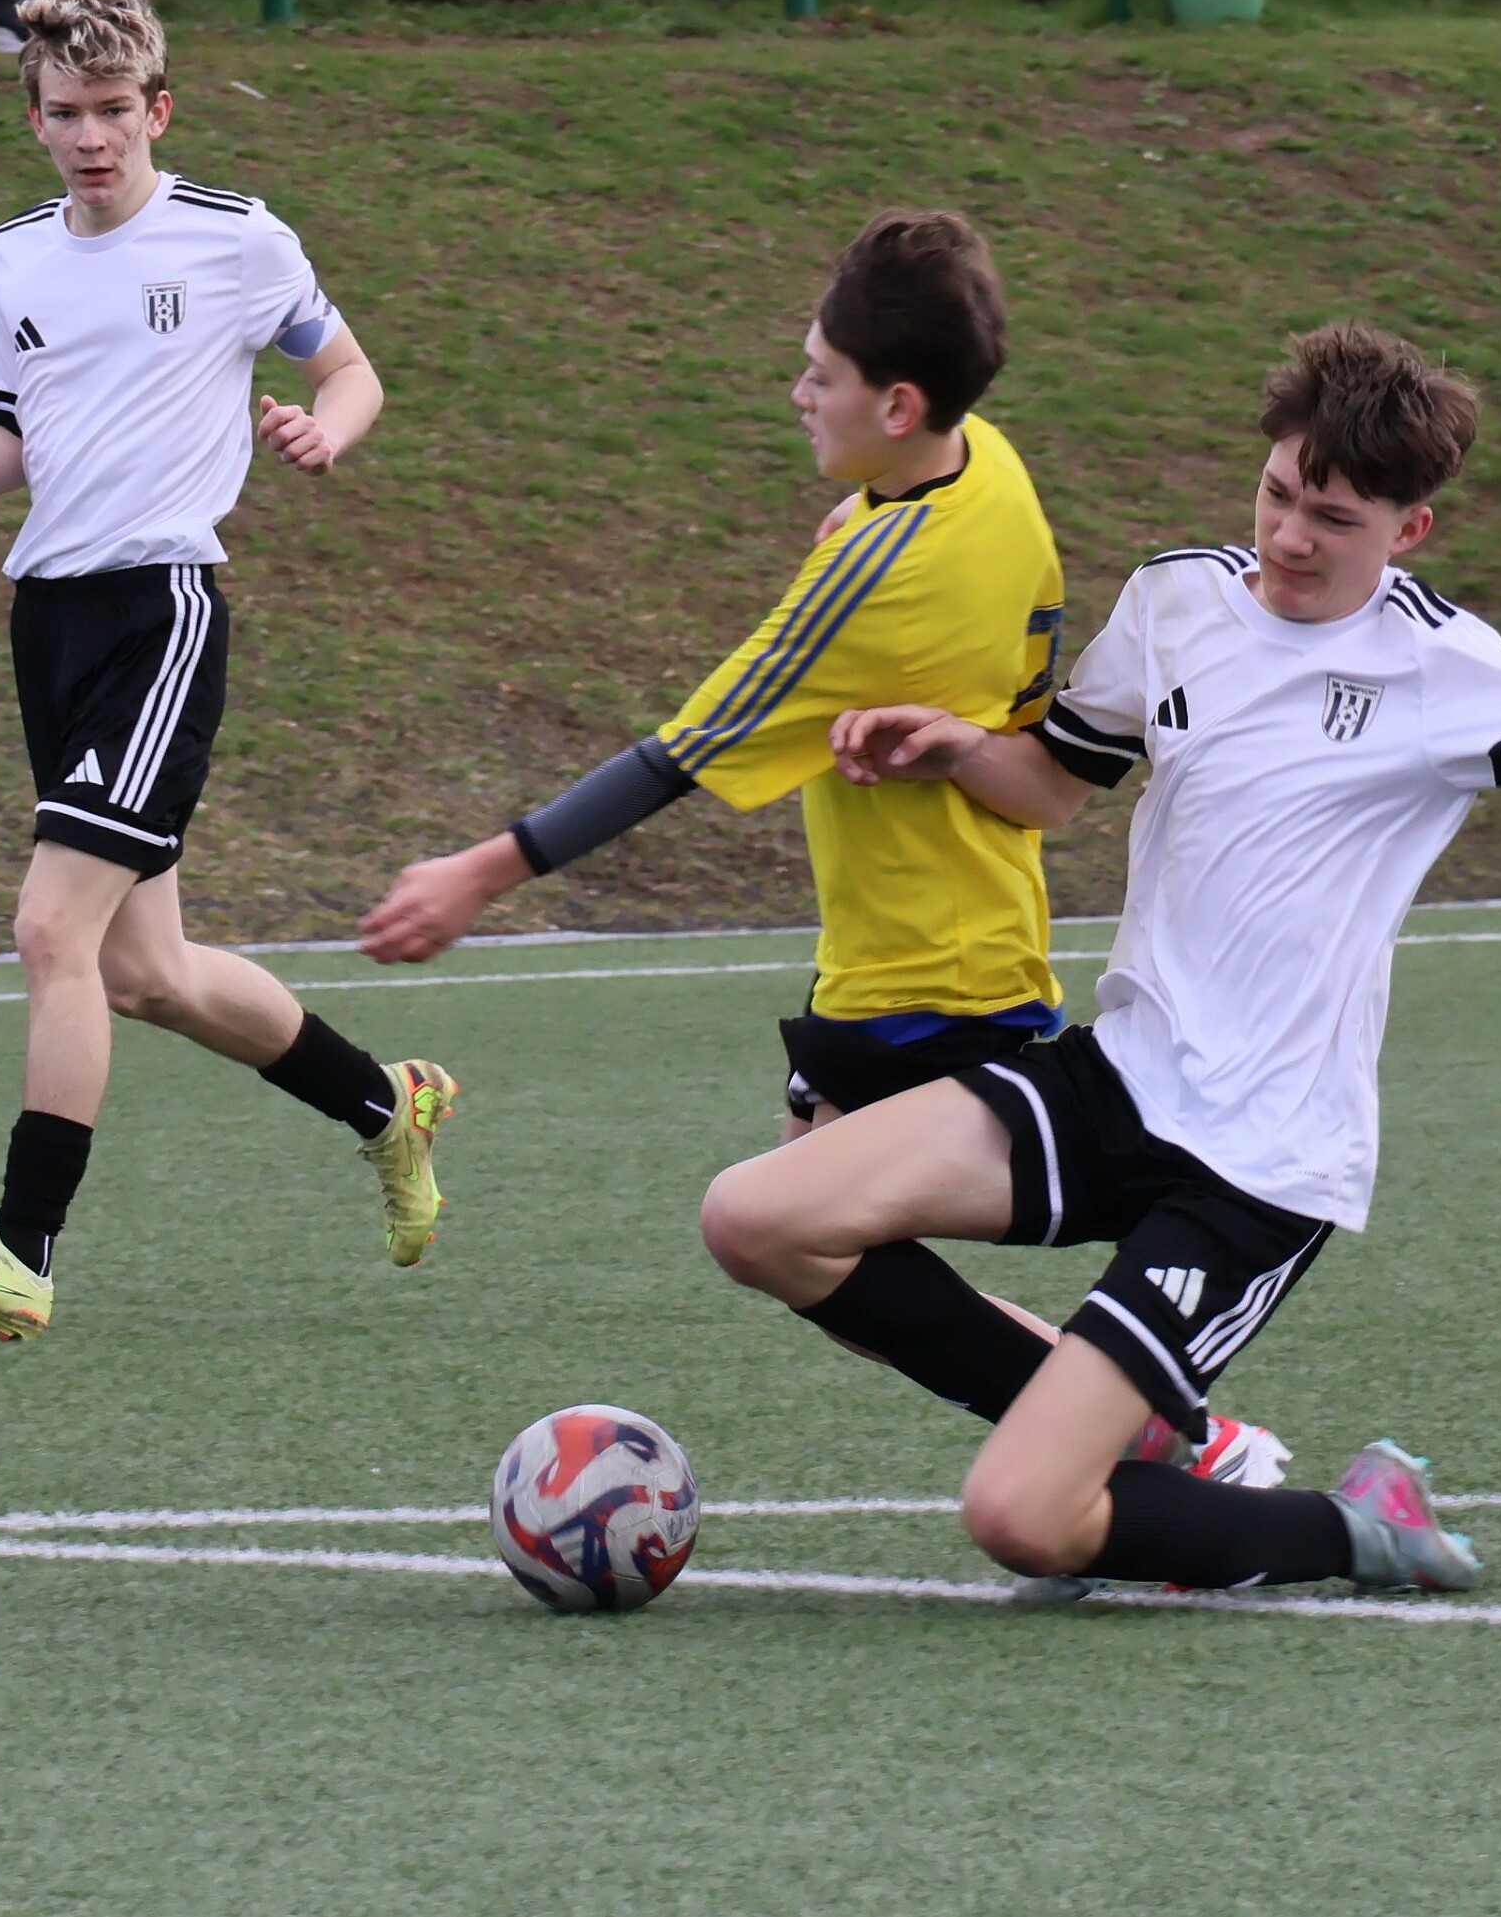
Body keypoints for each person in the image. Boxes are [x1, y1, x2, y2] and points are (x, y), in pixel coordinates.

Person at [698, 319, 1501, 1597]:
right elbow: (1055, 784)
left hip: (1256, 1159)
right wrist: (959, 747)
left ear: (1409, 530)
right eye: (1278, 492)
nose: (1292, 535)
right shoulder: (1178, 600)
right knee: (757, 1215)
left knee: (1019, 1516)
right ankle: (1146, 1429)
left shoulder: (1444, 667)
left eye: (1336, 518)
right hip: (1117, 1078)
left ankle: (1358, 1524)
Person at [356, 209, 1282, 1486]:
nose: (798, 391)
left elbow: (681, 752)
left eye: (820, 373)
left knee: (797, 1239)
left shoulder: (878, 572)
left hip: (928, 979)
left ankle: (1161, 1444)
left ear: (899, 403)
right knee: (825, 1253)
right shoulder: (985, 465)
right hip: (930, 948)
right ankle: (1142, 1440)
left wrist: (480, 870)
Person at [0, 0, 455, 1342]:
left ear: (159, 110)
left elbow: (352, 371)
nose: (92, 136)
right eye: (65, 112)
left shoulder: (236, 238)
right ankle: (390, 1108)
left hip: (162, 612)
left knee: (50, 929)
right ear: (32, 119)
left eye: (113, 110)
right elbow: (10, 448)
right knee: (148, 973)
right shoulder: (10, 260)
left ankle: (21, 1249)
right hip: (49, 619)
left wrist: (324, 431)